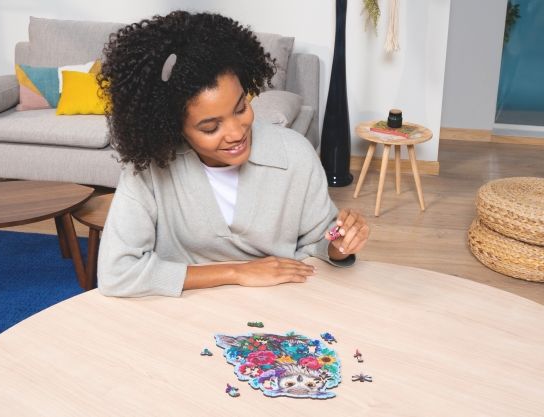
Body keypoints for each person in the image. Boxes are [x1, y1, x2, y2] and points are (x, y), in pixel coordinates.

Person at [96, 10, 369, 297]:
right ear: (174, 128)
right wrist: (236, 272)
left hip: (276, 306)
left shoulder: (295, 155)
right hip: (185, 310)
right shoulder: (149, 170)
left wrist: (340, 245)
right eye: (211, 127)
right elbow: (117, 273)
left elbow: (320, 241)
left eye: (240, 108)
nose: (237, 132)